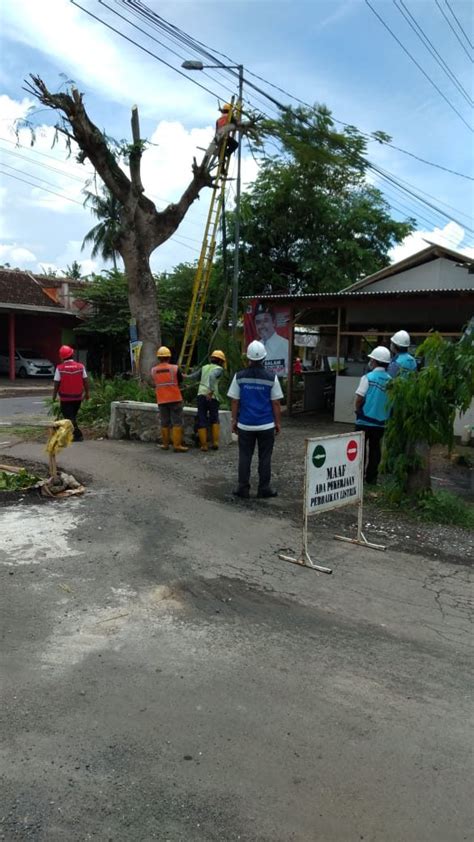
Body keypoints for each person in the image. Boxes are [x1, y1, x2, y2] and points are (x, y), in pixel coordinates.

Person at [227, 340, 283, 499]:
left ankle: (243, 488)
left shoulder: (239, 376)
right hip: (266, 425)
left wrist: (234, 420)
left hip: (245, 425)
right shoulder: (272, 378)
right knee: (265, 457)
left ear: (248, 358)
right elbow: (276, 402)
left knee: (245, 456)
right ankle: (264, 488)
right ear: (264, 358)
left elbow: (235, 401)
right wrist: (277, 423)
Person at [354, 346, 392, 485]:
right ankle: (372, 478)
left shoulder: (367, 378)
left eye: (371, 359)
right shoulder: (390, 380)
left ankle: (358, 477)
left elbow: (359, 398)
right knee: (375, 449)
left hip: (364, 420)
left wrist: (357, 410)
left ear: (374, 361)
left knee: (360, 449)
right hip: (381, 422)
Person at [185, 350, 227, 452]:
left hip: (201, 395)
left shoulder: (204, 367)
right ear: (221, 361)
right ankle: (215, 443)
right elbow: (212, 376)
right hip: (212, 397)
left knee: (202, 418)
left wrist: (185, 376)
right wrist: (211, 391)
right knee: (214, 418)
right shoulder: (219, 369)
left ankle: (204, 445)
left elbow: (194, 376)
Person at [151, 346, 188, 453]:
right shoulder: (175, 368)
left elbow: (155, 382)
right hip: (175, 398)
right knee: (177, 422)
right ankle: (177, 445)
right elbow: (180, 380)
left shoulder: (154, 370)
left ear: (159, 358)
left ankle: (165, 444)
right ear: (169, 357)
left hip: (162, 399)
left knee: (165, 422)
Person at [53, 345, 89, 442]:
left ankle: (78, 435)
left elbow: (56, 383)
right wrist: (87, 393)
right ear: (72, 354)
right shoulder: (81, 366)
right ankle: (72, 435)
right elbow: (85, 381)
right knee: (72, 416)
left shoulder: (59, 368)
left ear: (62, 357)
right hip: (78, 397)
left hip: (65, 398)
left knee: (69, 418)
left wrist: (54, 395)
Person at [254, 301, 289, 376]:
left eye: (265, 321)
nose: (261, 326)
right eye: (258, 322)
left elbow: (287, 375)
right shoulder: (255, 347)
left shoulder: (286, 345)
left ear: (274, 322)